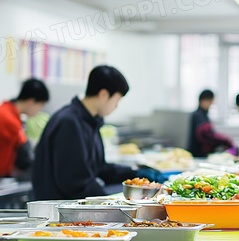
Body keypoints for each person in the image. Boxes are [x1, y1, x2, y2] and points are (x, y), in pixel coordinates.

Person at [32, 66, 153, 200]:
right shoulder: (68, 122)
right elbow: (75, 183)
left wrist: (137, 174)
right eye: (117, 101)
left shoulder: (90, 122)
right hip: (60, 210)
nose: (116, 107)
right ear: (104, 95)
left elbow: (101, 168)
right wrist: (109, 203)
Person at [0, 78, 49, 178]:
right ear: (31, 101)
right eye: (40, 106)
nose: (39, 111)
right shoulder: (10, 121)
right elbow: (25, 159)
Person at [188, 89, 235, 157]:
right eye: (210, 102)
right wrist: (224, 139)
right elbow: (205, 135)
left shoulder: (201, 115)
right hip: (199, 155)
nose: (211, 104)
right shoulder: (199, 116)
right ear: (203, 100)